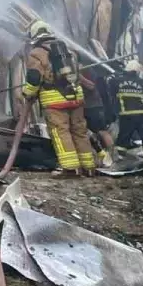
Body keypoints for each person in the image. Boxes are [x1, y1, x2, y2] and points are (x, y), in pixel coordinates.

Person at [21, 21, 95, 176]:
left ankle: (70, 169)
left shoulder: (37, 53)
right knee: (79, 131)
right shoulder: (69, 50)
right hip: (76, 96)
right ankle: (88, 167)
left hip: (55, 100)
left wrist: (28, 93)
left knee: (60, 132)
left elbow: (34, 78)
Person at [114, 60, 143, 166]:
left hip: (127, 114)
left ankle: (119, 159)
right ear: (137, 71)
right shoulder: (142, 82)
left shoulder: (117, 81)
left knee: (124, 137)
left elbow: (112, 96)